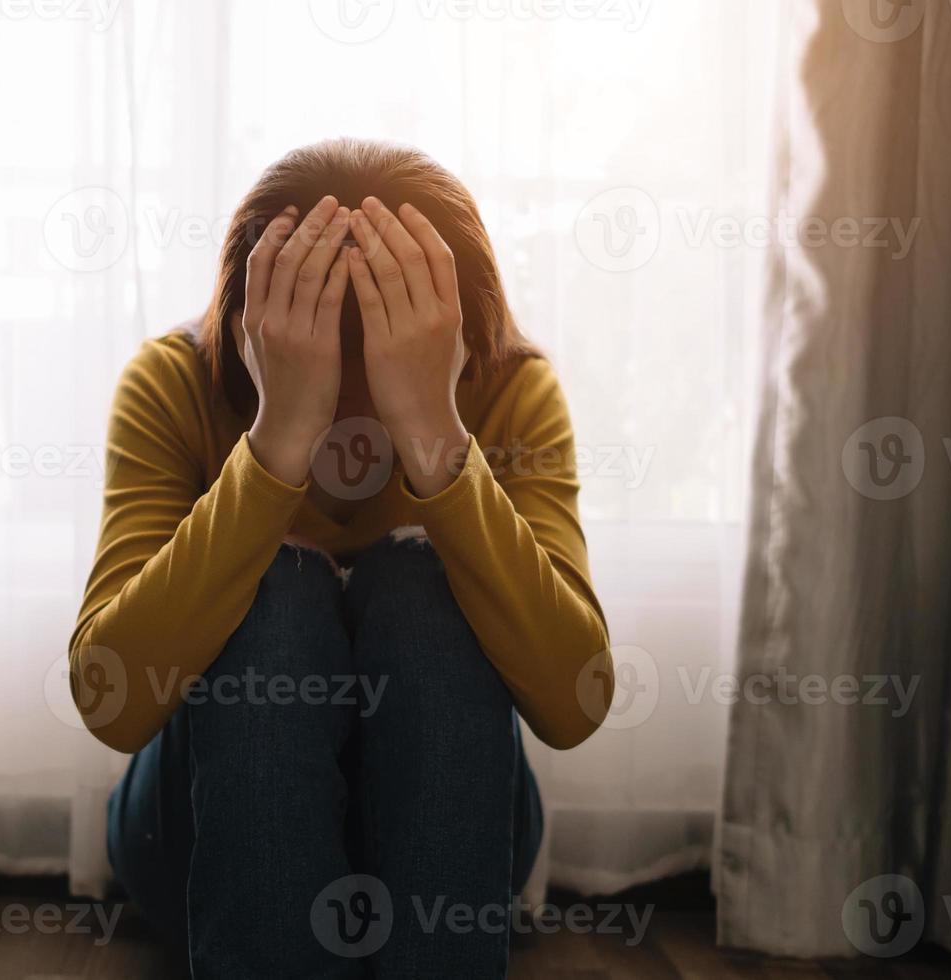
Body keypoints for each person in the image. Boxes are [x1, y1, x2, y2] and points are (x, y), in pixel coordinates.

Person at [68, 138, 613, 978]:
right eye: (325, 352)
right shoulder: (173, 382)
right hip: (198, 838)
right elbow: (112, 702)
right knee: (277, 589)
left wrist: (433, 431)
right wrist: (279, 437)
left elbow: (575, 706)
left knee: (422, 578)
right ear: (257, 325)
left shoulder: (510, 389)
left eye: (392, 352)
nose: (355, 408)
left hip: (447, 856)